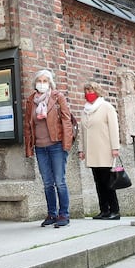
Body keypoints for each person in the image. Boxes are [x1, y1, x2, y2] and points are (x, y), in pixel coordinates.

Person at [24, 69, 74, 228]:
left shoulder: (58, 97)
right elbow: (27, 126)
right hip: (40, 147)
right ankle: (52, 214)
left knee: (59, 181)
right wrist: (28, 147)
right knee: (47, 183)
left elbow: (66, 121)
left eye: (46, 81)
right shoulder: (31, 100)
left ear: (50, 83)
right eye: (39, 80)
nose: (42, 83)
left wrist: (67, 144)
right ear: (35, 83)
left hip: (56, 145)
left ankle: (64, 214)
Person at [78, 81, 121, 220]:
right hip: (91, 152)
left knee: (108, 181)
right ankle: (104, 210)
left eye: (90, 90)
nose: (88, 94)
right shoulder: (85, 110)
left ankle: (115, 210)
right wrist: (81, 150)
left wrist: (115, 147)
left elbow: (114, 128)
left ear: (97, 91)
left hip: (105, 150)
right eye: (86, 91)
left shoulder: (106, 107)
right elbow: (82, 132)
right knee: (98, 182)